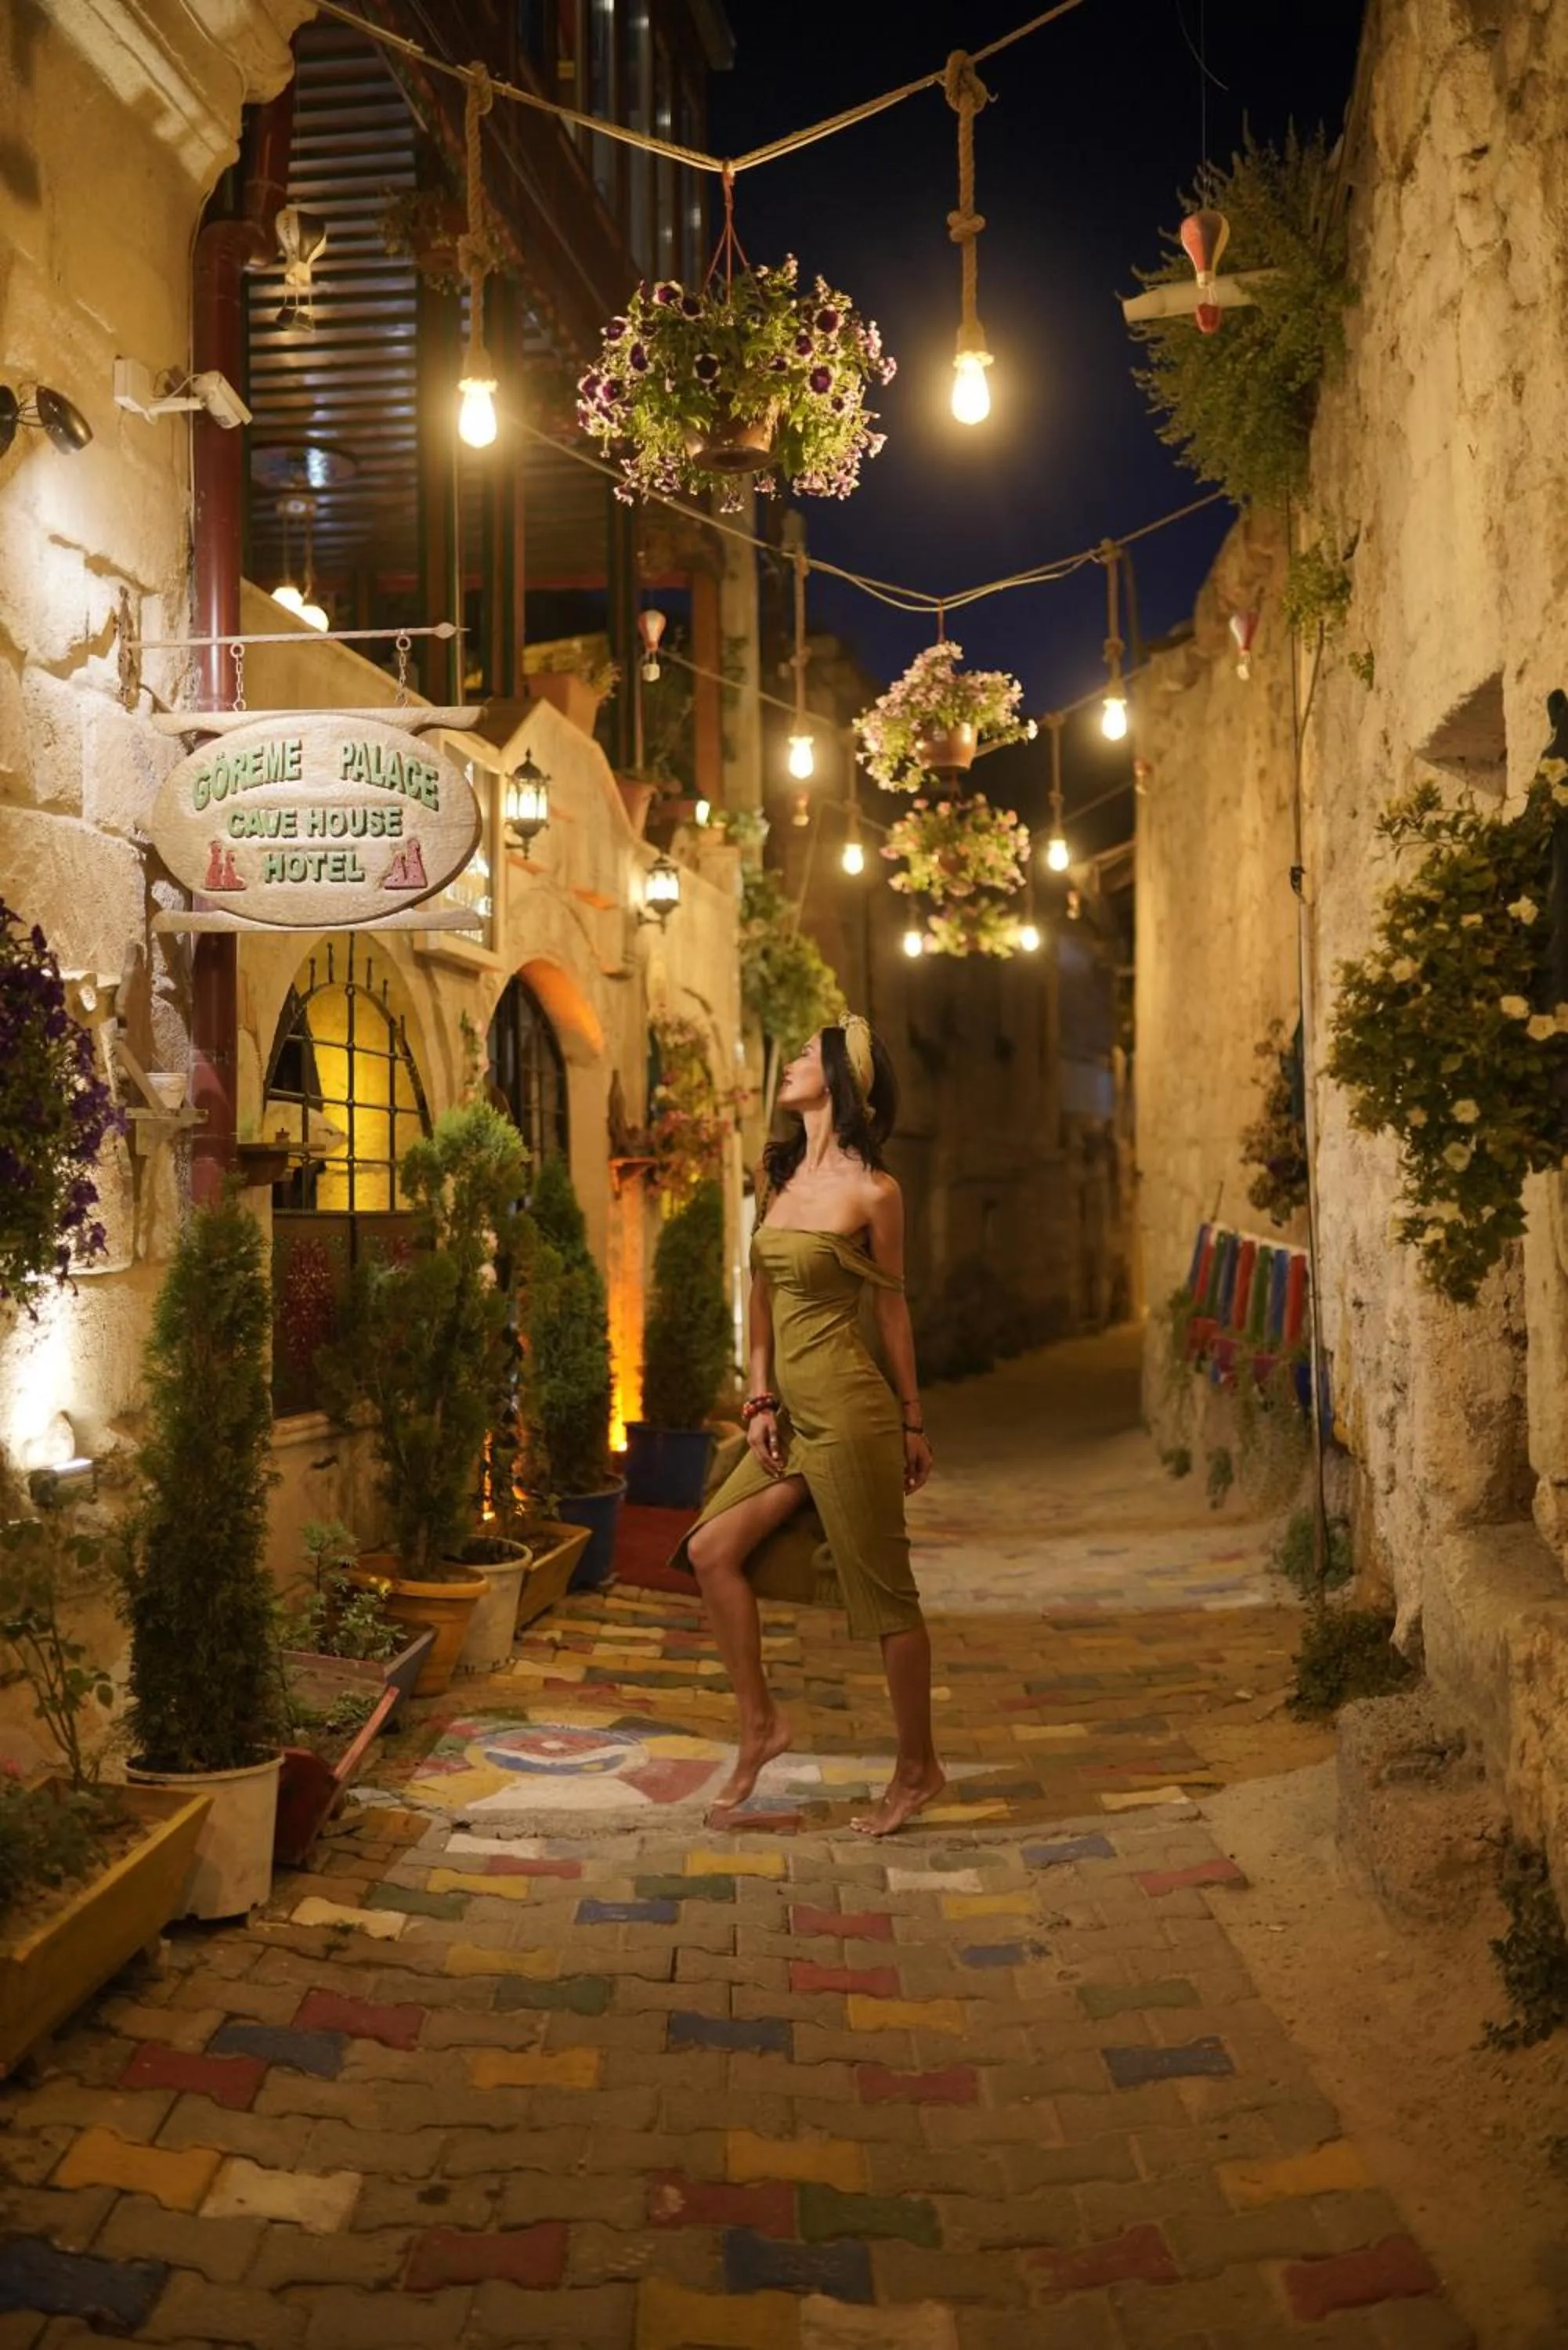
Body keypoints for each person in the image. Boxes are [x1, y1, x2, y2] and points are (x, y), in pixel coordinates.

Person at [674, 1015, 942, 1837]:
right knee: (710, 1549)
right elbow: (761, 1295)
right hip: (790, 1416)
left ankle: (918, 1769)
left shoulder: (876, 1192)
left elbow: (891, 1310)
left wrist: (911, 1421)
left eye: (803, 1055)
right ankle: (760, 1724)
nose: (789, 1064)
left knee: (886, 1598)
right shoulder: (777, 1171)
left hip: (854, 1414)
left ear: (842, 1078)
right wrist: (758, 1398)